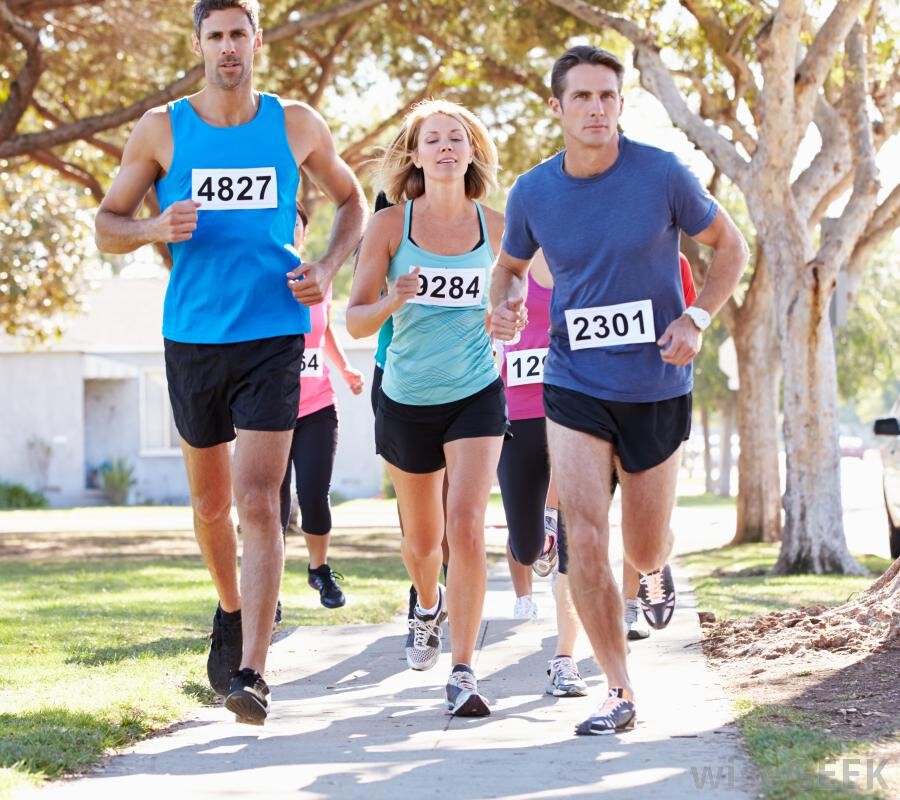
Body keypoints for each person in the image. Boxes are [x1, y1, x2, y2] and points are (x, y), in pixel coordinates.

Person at [93, 0, 366, 726]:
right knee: (211, 504)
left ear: (256, 40)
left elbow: (351, 200)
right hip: (193, 337)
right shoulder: (161, 129)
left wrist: (327, 266)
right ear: (199, 45)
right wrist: (154, 225)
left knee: (259, 500)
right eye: (214, 35)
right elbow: (106, 226)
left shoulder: (295, 123)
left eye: (238, 33)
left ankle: (253, 670)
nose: (227, 47)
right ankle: (231, 605)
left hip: (273, 333)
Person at [491, 45, 748, 735]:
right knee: (582, 533)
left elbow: (731, 247)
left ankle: (656, 567)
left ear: (621, 104)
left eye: (607, 95)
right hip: (573, 380)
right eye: (582, 96)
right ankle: (618, 688)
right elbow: (509, 266)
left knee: (642, 546)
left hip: (655, 383)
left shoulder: (662, 174)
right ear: (557, 107)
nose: (596, 108)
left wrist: (697, 319)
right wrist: (503, 304)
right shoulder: (533, 192)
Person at [347, 100, 510, 717]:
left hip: (475, 391)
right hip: (407, 396)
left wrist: (508, 315)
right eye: (433, 139)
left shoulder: (498, 226)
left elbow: (519, 292)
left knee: (466, 525)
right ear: (415, 155)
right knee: (423, 544)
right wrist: (393, 299)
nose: (445, 147)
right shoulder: (390, 226)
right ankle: (426, 602)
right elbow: (355, 321)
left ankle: (464, 670)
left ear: (472, 152)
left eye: (456, 138)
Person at [278, 201, 364, 614]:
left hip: (317, 405)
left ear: (303, 232)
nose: (289, 227)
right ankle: (267, 591)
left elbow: (324, 329)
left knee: (314, 494)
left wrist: (344, 368)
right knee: (271, 504)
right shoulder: (256, 276)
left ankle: (319, 568)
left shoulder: (319, 277)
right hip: (268, 410)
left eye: (295, 222)